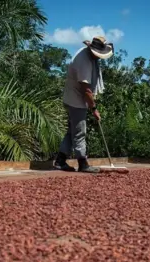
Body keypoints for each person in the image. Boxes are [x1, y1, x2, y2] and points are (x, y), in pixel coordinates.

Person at [53, 36, 114, 173]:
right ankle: (83, 163)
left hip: (73, 97)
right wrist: (94, 109)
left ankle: (60, 161)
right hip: (76, 99)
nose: (99, 58)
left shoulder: (87, 54)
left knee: (72, 132)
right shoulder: (84, 61)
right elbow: (86, 89)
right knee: (80, 132)